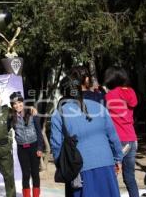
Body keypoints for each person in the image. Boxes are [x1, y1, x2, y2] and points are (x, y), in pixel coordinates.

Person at [51, 68, 123, 197]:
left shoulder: (59, 114)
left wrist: (62, 166)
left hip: (79, 170)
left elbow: (57, 145)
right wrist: (118, 159)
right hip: (106, 164)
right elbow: (113, 137)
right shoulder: (100, 107)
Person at [104, 66, 139, 197]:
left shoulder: (110, 95)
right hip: (132, 139)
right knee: (130, 178)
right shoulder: (131, 92)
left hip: (118, 140)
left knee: (111, 177)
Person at [9, 91, 43, 197]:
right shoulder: (11, 117)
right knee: (26, 174)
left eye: (19, 102)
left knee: (35, 174)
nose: (17, 105)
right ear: (12, 105)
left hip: (34, 147)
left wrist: (40, 147)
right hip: (22, 149)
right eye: (14, 104)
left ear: (23, 102)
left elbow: (39, 131)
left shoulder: (32, 112)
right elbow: (4, 128)